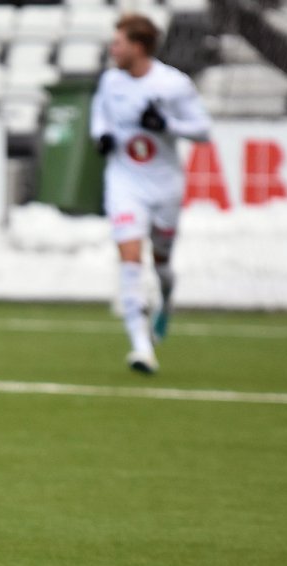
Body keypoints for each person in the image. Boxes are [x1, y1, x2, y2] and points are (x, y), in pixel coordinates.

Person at [90, 14, 211, 374]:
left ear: (138, 47)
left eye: (118, 43)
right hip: (124, 182)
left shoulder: (173, 84)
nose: (113, 49)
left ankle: (166, 298)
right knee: (129, 258)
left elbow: (203, 130)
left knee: (161, 263)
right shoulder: (110, 81)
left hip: (164, 185)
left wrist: (167, 125)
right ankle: (141, 347)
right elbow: (100, 116)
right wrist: (102, 136)